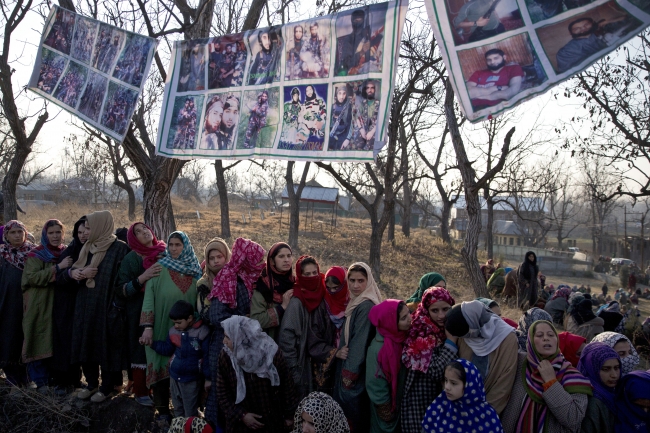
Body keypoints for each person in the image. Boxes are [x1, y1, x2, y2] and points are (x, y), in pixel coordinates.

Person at [140, 231, 202, 421]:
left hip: (188, 330)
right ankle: (163, 411)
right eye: (171, 245)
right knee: (160, 363)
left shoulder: (195, 271)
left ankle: (187, 414)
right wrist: (148, 326)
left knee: (186, 368)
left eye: (178, 245)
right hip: (160, 326)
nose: (174, 249)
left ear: (186, 246)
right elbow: (148, 298)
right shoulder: (159, 268)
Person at [204, 237, 266, 426]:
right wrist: (242, 323)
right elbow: (215, 316)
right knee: (221, 396)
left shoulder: (244, 279)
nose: (259, 265)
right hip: (223, 346)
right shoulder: (228, 278)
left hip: (239, 346)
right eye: (254, 260)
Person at [70, 211, 130, 403]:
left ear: (100, 226)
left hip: (105, 305)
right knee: (85, 342)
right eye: (84, 228)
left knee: (105, 346)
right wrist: (78, 273)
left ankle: (107, 387)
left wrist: (115, 306)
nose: (86, 232)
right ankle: (91, 383)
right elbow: (74, 271)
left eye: (89, 228)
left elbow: (122, 278)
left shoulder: (119, 248)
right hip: (85, 304)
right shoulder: (87, 247)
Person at [500, 320, 592, 433]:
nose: (546, 338)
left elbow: (573, 418)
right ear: (530, 341)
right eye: (539, 335)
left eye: (551, 335)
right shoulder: (518, 363)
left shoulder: (573, 376)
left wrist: (551, 382)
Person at [216, 315, 298, 433]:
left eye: (227, 337)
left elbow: (287, 386)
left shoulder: (271, 354)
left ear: (240, 338)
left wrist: (290, 416)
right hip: (240, 426)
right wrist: (242, 415)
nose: (224, 341)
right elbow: (222, 393)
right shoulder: (226, 357)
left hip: (272, 422)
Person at [117, 222, 166, 406]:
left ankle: (158, 390)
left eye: (145, 228)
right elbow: (120, 289)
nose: (144, 232)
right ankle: (141, 391)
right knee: (140, 349)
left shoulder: (164, 252)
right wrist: (143, 278)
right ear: (132, 239)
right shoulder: (132, 258)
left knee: (160, 346)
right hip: (137, 312)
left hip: (162, 308)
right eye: (137, 232)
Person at [22, 219, 70, 392]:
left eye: (58, 232)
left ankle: (55, 379)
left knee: (55, 339)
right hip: (39, 304)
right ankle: (40, 381)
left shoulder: (65, 252)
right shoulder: (36, 255)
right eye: (51, 233)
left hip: (58, 304)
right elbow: (31, 278)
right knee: (38, 337)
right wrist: (57, 269)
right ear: (45, 234)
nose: (55, 236)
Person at [401, 287, 458, 433]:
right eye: (435, 310)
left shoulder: (446, 328)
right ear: (426, 310)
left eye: (446, 309)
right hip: (421, 401)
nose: (441, 316)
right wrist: (451, 342)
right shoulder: (422, 331)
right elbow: (436, 371)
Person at [445, 300, 517, 415]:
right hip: (458, 406)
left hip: (487, 412)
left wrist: (482, 415)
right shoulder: (466, 333)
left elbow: (504, 384)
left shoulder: (507, 339)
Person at [334, 262, 382, 432]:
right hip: (353, 370)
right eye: (352, 280)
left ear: (368, 281)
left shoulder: (365, 306)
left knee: (352, 419)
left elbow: (358, 345)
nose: (355, 285)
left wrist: (347, 380)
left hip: (355, 376)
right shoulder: (356, 302)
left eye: (361, 281)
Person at [145, 300, 210, 418]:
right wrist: (152, 344)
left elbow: (206, 357)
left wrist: (208, 378)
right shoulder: (173, 332)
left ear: (190, 318)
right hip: (175, 377)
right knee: (178, 408)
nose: (176, 326)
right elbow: (167, 349)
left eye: (179, 323)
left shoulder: (202, 332)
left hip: (191, 379)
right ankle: (179, 427)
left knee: (190, 410)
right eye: (174, 323)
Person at [279, 255, 327, 399]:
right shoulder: (297, 301)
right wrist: (294, 370)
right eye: (307, 274)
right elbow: (286, 338)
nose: (312, 277)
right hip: (303, 364)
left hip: (322, 361)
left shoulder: (324, 294)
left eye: (315, 273)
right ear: (300, 276)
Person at [51, 217, 87, 395]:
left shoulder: (95, 251)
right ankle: (62, 381)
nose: (82, 235)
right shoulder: (70, 252)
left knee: (78, 342)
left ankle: (76, 379)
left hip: (83, 306)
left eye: (86, 231)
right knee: (64, 342)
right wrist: (71, 273)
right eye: (79, 232)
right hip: (65, 306)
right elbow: (58, 279)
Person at [421, 359, 505, 433]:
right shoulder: (438, 408)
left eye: (453, 383)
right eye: (446, 380)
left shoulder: (486, 417)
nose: (447, 387)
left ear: (468, 385)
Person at [366, 300, 411, 433]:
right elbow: (376, 385)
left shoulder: (401, 338)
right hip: (386, 411)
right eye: (403, 318)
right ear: (391, 322)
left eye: (408, 313)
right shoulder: (379, 349)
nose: (410, 319)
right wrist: (386, 412)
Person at [0, 220, 33, 387]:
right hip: (6, 306)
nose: (17, 235)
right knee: (8, 338)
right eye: (13, 232)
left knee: (26, 337)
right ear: (6, 235)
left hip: (29, 305)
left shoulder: (33, 253)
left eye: (20, 232)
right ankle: (12, 378)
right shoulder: (2, 254)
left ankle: (27, 377)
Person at [310, 266, 350, 394]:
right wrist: (334, 352)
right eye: (329, 288)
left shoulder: (353, 303)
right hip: (327, 365)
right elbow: (314, 339)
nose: (332, 291)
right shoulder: (323, 305)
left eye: (336, 288)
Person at [556, 16, 633, 73]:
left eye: (586, 25)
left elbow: (629, 19)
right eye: (577, 28)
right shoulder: (566, 51)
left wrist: (608, 21)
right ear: (570, 33)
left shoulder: (606, 27)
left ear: (593, 23)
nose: (583, 29)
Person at [251, 242, 295, 340]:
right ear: (272, 261)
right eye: (281, 256)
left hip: (290, 342)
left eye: (289, 256)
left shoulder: (295, 283)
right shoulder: (262, 285)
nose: (286, 260)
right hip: (268, 341)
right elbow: (256, 319)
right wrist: (282, 307)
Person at [577, 342, 621, 433]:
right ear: (591, 369)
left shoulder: (616, 392)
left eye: (616, 368)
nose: (614, 375)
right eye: (606, 369)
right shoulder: (591, 402)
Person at [350, 81, 379, 150]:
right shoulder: (363, 103)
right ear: (365, 90)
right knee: (357, 144)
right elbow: (357, 117)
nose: (370, 90)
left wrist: (372, 132)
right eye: (368, 88)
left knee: (370, 147)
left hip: (374, 130)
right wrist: (361, 130)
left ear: (374, 90)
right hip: (363, 129)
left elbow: (381, 119)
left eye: (372, 88)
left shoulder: (378, 103)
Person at [329, 85, 353, 151]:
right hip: (331, 136)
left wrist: (347, 139)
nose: (342, 96)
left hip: (343, 137)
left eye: (344, 93)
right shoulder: (332, 107)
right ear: (336, 95)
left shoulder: (349, 107)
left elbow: (350, 124)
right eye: (339, 93)